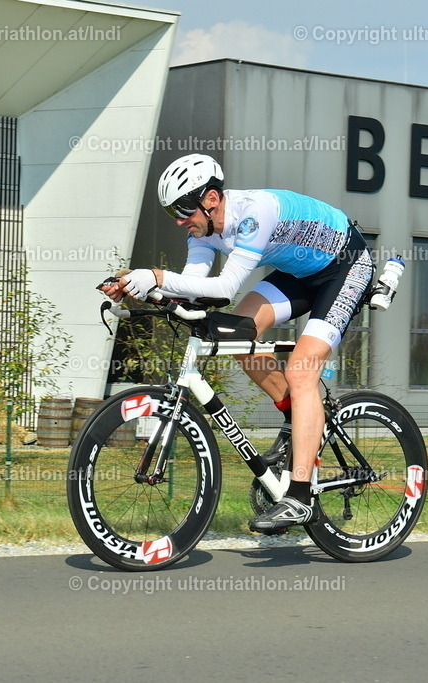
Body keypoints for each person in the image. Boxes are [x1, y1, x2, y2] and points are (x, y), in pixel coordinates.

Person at [100, 153, 374, 531]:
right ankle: (297, 417)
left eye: (183, 209)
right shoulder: (202, 229)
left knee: (301, 371)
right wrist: (142, 289)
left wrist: (157, 276)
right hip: (302, 273)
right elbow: (196, 289)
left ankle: (299, 496)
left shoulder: (252, 214)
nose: (180, 221)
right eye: (171, 213)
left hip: (346, 265)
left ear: (211, 199)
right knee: (235, 332)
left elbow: (225, 287)